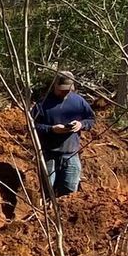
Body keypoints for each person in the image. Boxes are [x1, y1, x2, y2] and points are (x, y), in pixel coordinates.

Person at [30, 70, 94, 198]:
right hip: (48, 154)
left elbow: (91, 120)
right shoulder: (42, 104)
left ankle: (63, 215)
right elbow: (33, 127)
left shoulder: (79, 102)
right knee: (47, 189)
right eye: (61, 89)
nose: (64, 92)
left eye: (68, 89)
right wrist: (52, 129)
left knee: (70, 190)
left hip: (71, 153)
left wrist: (81, 125)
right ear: (55, 86)